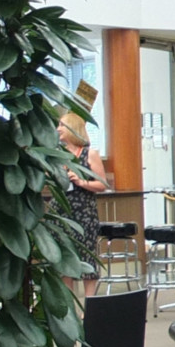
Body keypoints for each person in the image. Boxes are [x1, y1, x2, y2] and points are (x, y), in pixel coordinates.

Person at [53, 112, 107, 296]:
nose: (57, 129)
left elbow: (102, 184)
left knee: (87, 258)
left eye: (61, 125)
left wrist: (82, 182)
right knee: (64, 259)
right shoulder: (56, 155)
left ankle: (90, 308)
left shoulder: (89, 154)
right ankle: (70, 309)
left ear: (72, 129)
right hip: (61, 211)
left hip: (84, 211)